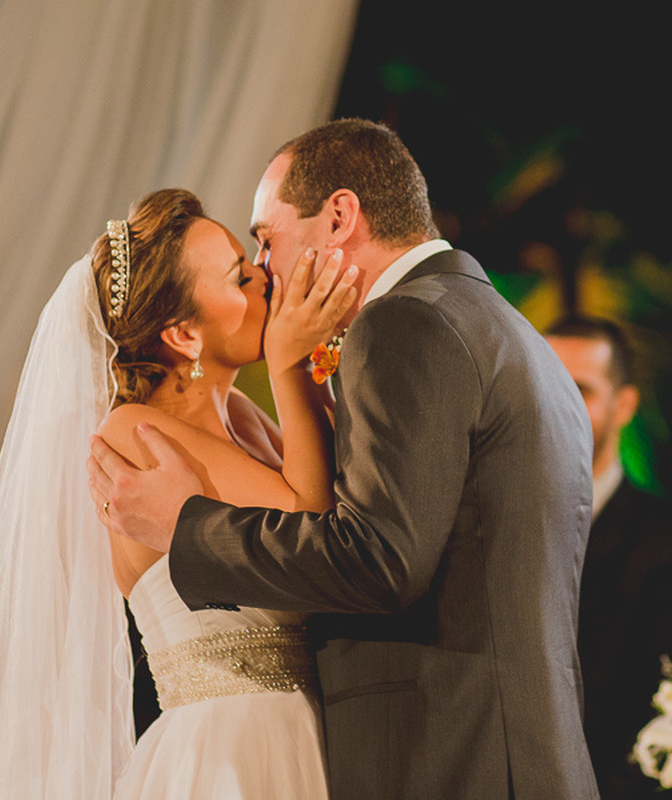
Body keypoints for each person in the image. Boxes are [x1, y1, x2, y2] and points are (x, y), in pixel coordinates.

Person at [89, 119, 600, 800]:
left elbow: (376, 556)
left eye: (264, 242)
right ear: (180, 331)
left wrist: (189, 525)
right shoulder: (512, 334)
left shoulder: (405, 323)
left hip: (453, 756)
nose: (266, 273)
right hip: (476, 753)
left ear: (338, 217)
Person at [0, 188, 356, 799]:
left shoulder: (241, 413)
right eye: (240, 275)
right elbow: (313, 536)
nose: (264, 277)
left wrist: (321, 358)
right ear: (184, 334)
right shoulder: (134, 433)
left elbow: (354, 511)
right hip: (231, 753)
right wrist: (290, 367)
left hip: (313, 734)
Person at [546, 316, 672, 800]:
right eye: (547, 384)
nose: (558, 404)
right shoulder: (485, 520)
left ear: (624, 406)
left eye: (580, 389)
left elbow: (668, 708)